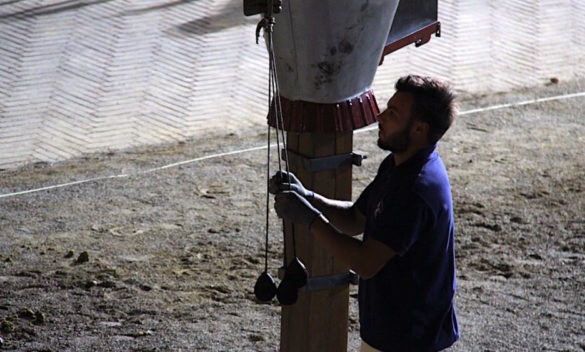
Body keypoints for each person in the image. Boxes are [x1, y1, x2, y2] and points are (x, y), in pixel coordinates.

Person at [271, 75, 459, 351]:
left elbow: (365, 262)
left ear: (419, 129)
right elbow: (355, 219)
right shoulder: (397, 164)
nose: (380, 117)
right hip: (389, 334)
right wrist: (308, 197)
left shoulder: (416, 188)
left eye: (393, 113)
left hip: (411, 340)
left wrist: (309, 218)